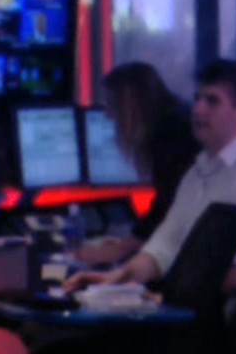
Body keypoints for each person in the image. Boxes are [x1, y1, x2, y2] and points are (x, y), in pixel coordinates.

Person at [64, 58, 236, 295]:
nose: (198, 109)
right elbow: (162, 248)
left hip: (203, 313)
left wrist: (162, 297)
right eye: (198, 98)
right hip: (178, 303)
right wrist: (112, 281)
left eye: (212, 101)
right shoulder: (197, 172)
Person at [76, 61, 201, 266]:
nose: (108, 114)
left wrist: (120, 249)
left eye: (112, 104)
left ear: (130, 104)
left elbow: (168, 204)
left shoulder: (171, 133)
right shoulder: (176, 120)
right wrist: (129, 243)